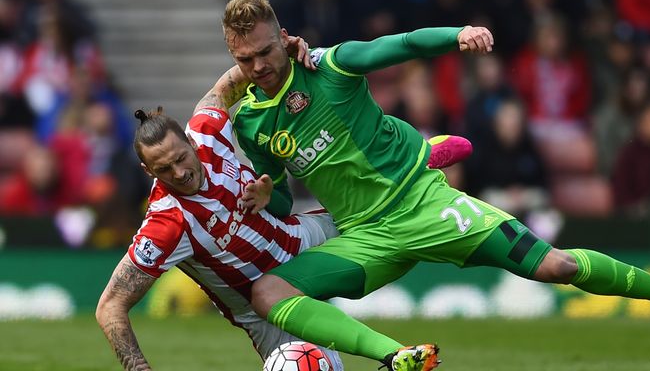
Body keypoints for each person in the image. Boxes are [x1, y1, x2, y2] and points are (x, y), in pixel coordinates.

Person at [209, 0, 650, 371]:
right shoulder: (251, 121)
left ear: (284, 37)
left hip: (421, 202)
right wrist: (264, 194)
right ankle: (395, 356)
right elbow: (277, 194)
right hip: (364, 236)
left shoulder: (333, 65)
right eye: (245, 60)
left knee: (555, 265)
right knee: (268, 291)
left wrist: (458, 35)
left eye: (265, 52)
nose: (258, 66)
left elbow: (403, 44)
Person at [94, 41, 467, 370]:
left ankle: (410, 163)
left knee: (383, 213)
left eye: (181, 158)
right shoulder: (167, 223)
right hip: (266, 308)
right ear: (148, 171)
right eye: (164, 169)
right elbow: (110, 306)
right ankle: (398, 357)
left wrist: (282, 50)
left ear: (190, 143)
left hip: (304, 238)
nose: (179, 172)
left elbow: (230, 83)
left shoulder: (207, 130)